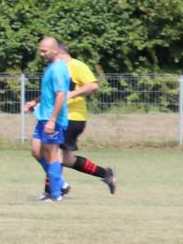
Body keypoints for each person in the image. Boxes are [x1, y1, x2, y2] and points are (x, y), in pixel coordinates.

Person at [49, 48, 117, 195]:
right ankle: (106, 174)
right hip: (64, 117)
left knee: (53, 153)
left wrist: (72, 94)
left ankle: (52, 191)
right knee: (67, 159)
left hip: (73, 117)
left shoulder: (76, 65)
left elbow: (93, 85)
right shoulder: (57, 68)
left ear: (60, 52)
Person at [23, 36, 73, 202]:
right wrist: (34, 102)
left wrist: (52, 120)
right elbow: (48, 93)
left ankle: (55, 194)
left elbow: (60, 95)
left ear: (55, 50)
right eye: (40, 51)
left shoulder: (59, 69)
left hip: (53, 120)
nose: (42, 54)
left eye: (44, 51)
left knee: (51, 156)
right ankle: (61, 183)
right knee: (36, 152)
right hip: (43, 117)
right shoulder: (50, 67)